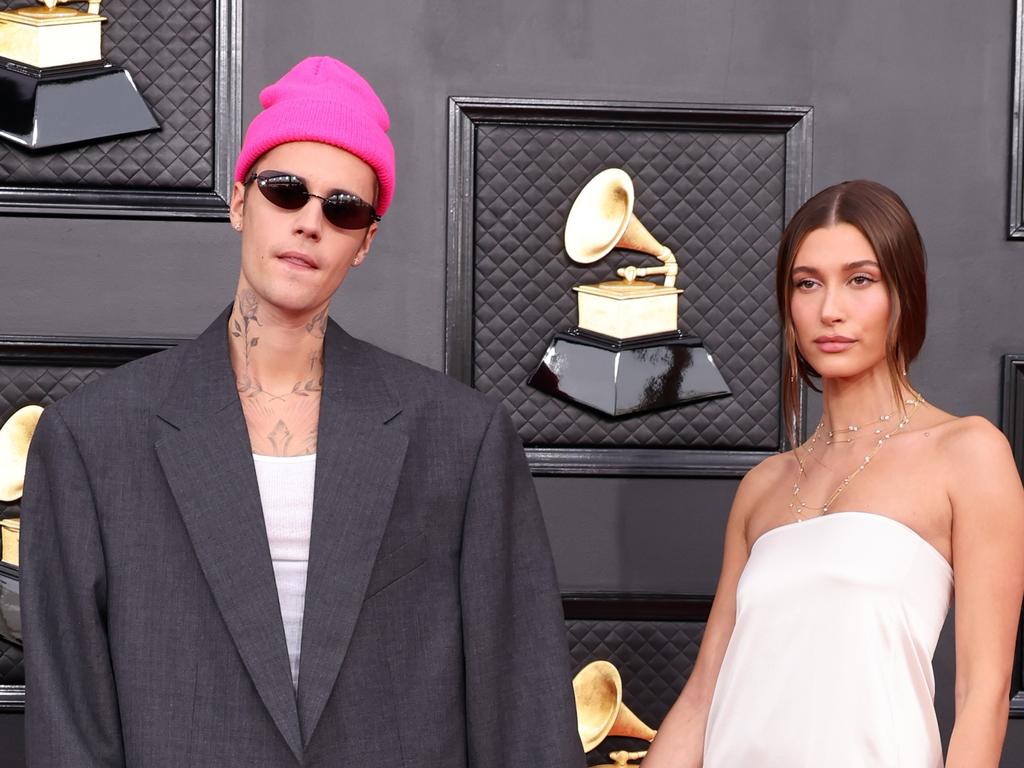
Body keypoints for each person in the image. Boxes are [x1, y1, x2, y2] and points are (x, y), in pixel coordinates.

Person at [20, 56, 585, 768]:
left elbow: (522, 708)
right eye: (285, 192)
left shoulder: (459, 438)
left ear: (364, 242)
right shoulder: (95, 439)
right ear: (238, 202)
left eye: (342, 207)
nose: (311, 222)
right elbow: (70, 722)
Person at [642, 179, 1024, 768]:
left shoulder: (968, 454)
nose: (830, 309)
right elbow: (702, 700)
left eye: (860, 279)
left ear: (905, 293)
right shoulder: (762, 487)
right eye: (807, 283)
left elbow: (982, 696)